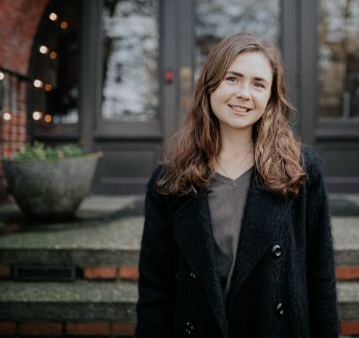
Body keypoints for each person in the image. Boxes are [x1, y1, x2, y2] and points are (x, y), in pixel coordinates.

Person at [136, 33, 338, 337]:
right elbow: (155, 287)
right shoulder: (170, 179)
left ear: (271, 98)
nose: (245, 93)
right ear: (210, 85)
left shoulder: (301, 170)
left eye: (258, 84)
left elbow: (320, 274)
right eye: (233, 78)